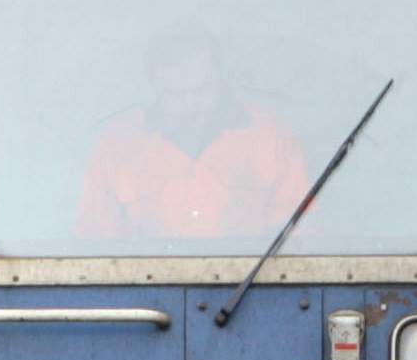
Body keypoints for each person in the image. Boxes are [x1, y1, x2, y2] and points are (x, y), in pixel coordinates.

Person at [73, 45, 309, 246]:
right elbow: (95, 238)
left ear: (221, 78)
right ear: (154, 85)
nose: (190, 105)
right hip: (144, 285)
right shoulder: (118, 144)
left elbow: (300, 234)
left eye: (202, 90)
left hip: (254, 283)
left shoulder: (270, 136)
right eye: (174, 94)